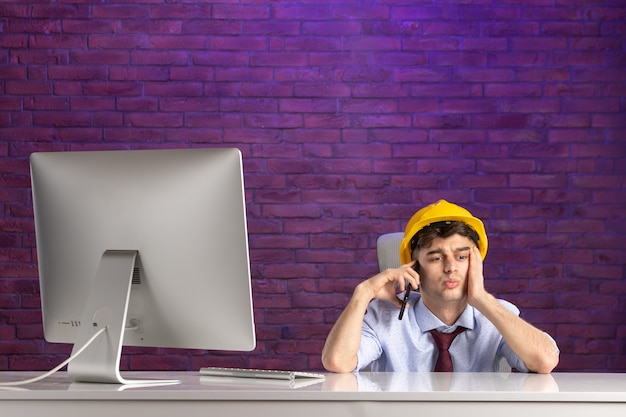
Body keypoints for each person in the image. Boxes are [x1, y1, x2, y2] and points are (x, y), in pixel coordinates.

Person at [322, 200, 559, 374]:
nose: (450, 268)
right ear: (414, 267)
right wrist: (362, 294)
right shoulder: (384, 316)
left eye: (461, 257)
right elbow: (338, 362)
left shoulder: (497, 314)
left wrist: (483, 299)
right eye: (436, 258)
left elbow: (545, 361)